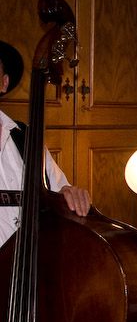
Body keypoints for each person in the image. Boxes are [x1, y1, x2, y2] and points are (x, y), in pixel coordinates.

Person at [0, 39, 90, 245]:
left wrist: (68, 194)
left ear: (3, 83)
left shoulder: (25, 136)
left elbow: (58, 191)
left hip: (38, 260)